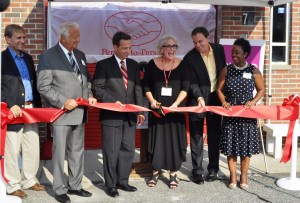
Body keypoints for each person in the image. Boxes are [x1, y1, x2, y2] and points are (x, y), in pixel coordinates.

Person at [37, 22, 96, 203]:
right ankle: (59, 189)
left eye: (78, 36)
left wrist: (91, 96)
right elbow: (43, 86)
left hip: (80, 112)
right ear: (62, 38)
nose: (78, 39)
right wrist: (63, 101)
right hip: (61, 113)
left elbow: (85, 81)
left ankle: (75, 185)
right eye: (73, 37)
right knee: (60, 152)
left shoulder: (80, 55)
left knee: (77, 151)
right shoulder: (48, 56)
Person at [92, 31, 145, 198]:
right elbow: (97, 88)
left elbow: (137, 89)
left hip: (129, 116)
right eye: (124, 48)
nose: (128, 51)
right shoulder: (103, 65)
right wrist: (112, 102)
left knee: (128, 150)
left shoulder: (134, 65)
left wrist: (140, 111)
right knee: (111, 152)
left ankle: (123, 181)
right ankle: (111, 184)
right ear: (114, 47)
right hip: (111, 116)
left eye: (130, 48)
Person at [1, 24, 44, 199]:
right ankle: (12, 184)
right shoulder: (2, 59)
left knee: (32, 144)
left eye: (24, 38)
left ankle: (29, 180)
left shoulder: (27, 57)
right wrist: (11, 104)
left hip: (30, 108)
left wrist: (38, 107)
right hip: (14, 109)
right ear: (8, 39)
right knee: (12, 147)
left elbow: (32, 84)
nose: (23, 41)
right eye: (18, 38)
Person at [216, 38, 264, 189]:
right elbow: (219, 89)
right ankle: (233, 176)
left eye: (237, 53)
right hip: (231, 115)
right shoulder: (227, 70)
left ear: (246, 53)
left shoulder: (254, 71)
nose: (233, 55)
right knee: (231, 148)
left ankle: (243, 175)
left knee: (246, 148)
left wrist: (254, 101)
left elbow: (262, 90)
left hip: (247, 116)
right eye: (232, 53)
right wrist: (224, 102)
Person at [143, 35, 190, 189]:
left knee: (174, 142)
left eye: (174, 46)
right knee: (158, 141)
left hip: (175, 111)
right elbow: (146, 86)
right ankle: (155, 172)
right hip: (158, 110)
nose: (171, 49)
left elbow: (185, 87)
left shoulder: (183, 65)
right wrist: (151, 101)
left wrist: (176, 104)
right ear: (161, 48)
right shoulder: (152, 63)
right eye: (168, 46)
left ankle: (173, 173)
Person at [184, 27, 226, 184]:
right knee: (196, 137)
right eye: (194, 42)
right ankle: (197, 171)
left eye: (200, 41)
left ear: (208, 38)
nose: (197, 45)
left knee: (215, 135)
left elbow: (223, 72)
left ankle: (213, 169)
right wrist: (199, 97)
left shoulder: (219, 49)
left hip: (216, 98)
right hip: (197, 100)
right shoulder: (190, 57)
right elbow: (191, 82)